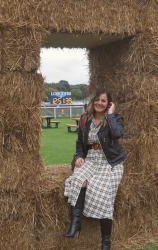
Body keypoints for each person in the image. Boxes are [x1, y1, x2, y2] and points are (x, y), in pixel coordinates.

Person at [64, 88, 126, 250]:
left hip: (110, 162)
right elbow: (80, 144)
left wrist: (111, 114)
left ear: (108, 104)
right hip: (90, 159)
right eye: (97, 100)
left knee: (103, 194)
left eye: (103, 101)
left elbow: (117, 134)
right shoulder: (85, 119)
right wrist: (78, 156)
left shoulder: (114, 119)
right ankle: (76, 223)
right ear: (93, 102)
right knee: (78, 180)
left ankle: (106, 241)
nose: (99, 103)